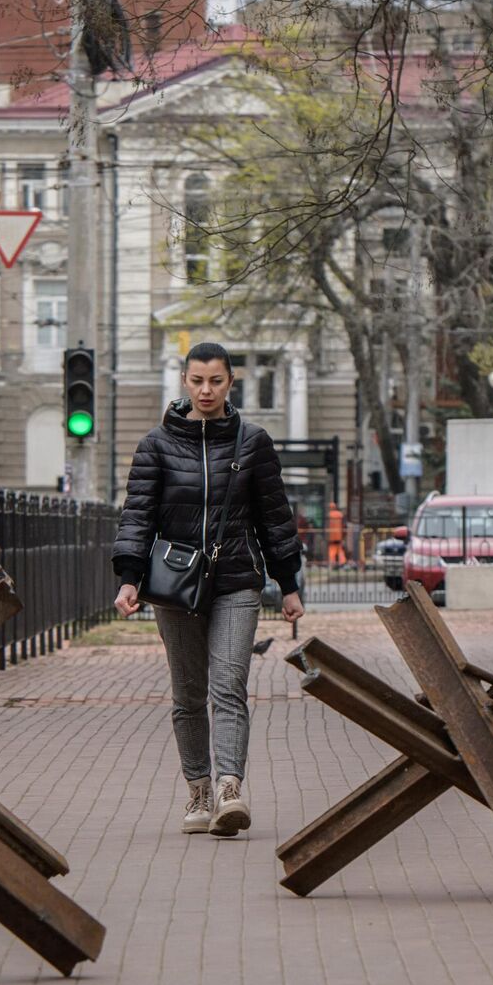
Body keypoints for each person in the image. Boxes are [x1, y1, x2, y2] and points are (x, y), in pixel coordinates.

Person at [112, 342, 305, 837]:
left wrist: (288, 584)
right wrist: (129, 578)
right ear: (184, 381)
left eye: (215, 381)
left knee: (228, 687)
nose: (205, 390)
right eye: (197, 380)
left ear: (230, 383)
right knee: (188, 694)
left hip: (237, 581)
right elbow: (138, 516)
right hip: (175, 586)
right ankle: (198, 788)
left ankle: (229, 788)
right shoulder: (156, 446)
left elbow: (275, 518)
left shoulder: (252, 443)